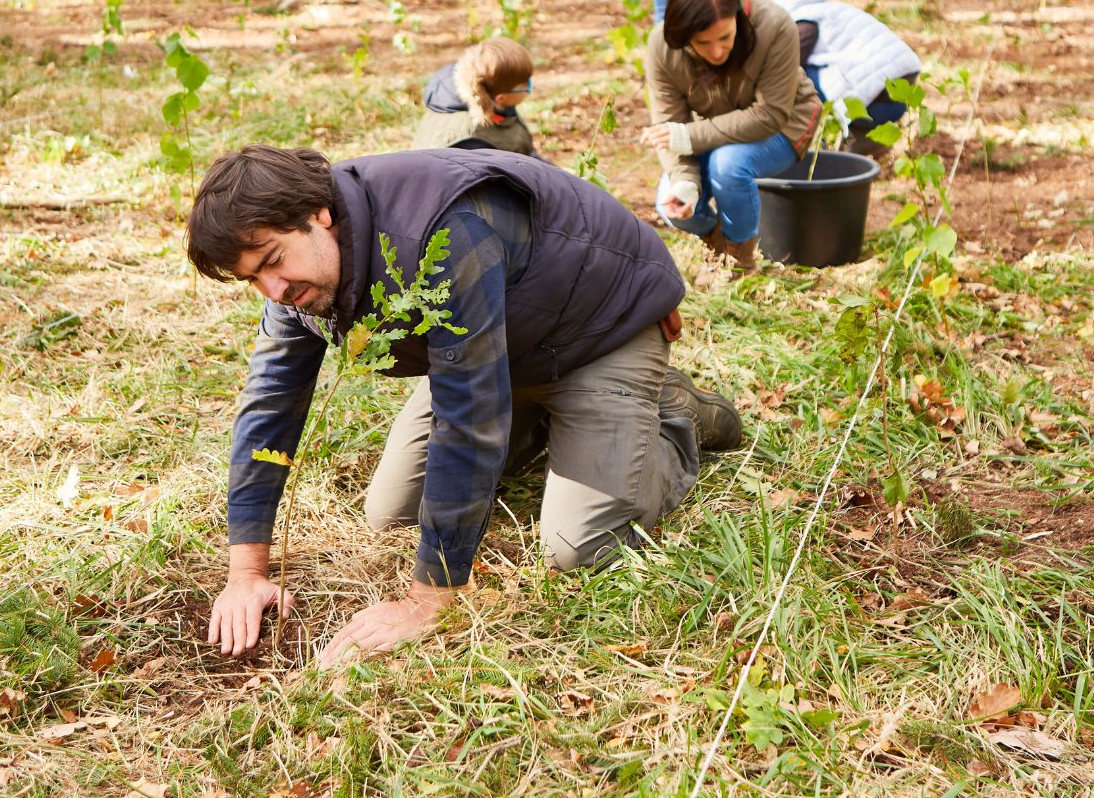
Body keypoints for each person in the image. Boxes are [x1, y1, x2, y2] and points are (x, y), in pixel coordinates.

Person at [188, 144, 744, 665]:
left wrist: (430, 599)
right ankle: (561, 422)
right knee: (392, 512)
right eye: (252, 278)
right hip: (499, 349)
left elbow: (470, 414)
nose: (273, 290)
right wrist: (247, 573)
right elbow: (270, 402)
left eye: (273, 260)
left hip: (597, 334)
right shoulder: (298, 279)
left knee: (578, 546)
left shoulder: (438, 233)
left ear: (318, 214)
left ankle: (670, 412)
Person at [642, 0, 822, 275]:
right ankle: (719, 244)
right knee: (670, 203)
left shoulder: (774, 25)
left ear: (738, 17)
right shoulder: (662, 47)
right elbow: (670, 126)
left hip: (784, 123)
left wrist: (688, 136)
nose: (716, 51)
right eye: (702, 43)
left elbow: (771, 114)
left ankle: (741, 261)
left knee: (728, 166)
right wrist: (685, 183)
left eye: (725, 37)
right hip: (716, 128)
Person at [769, 0, 923, 157]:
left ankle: (815, 144)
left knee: (795, 76)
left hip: (873, 101)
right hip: (898, 101)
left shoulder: (804, 21)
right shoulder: (835, 12)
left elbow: (785, 69)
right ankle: (863, 141)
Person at [412, 37, 537, 156]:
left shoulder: (479, 91)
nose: (530, 85)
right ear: (500, 98)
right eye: (526, 85)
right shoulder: (472, 142)